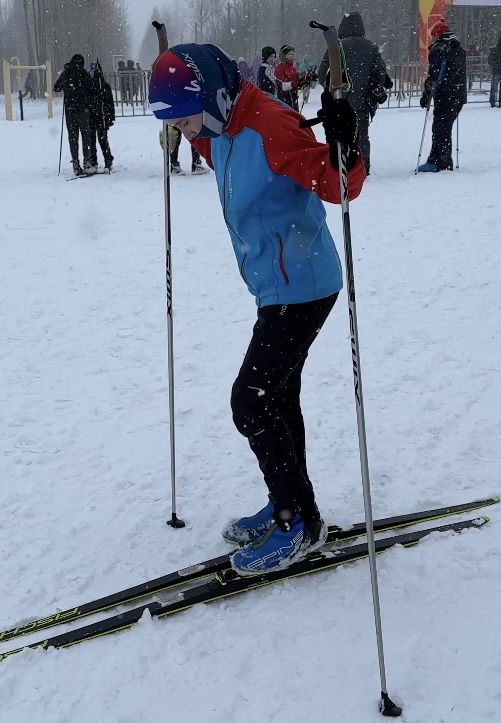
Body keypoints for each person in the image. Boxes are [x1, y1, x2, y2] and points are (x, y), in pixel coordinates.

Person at [147, 42, 365, 576]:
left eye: (186, 118)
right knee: (279, 397)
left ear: (216, 97)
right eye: (175, 124)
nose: (185, 132)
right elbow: (212, 150)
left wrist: (346, 142)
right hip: (275, 287)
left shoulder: (269, 126)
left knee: (251, 401)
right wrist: (173, 92)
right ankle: (289, 503)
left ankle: (299, 524)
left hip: (304, 286)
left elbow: (341, 183)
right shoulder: (215, 132)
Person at [318, 12, 393, 173]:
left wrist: (333, 90)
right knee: (361, 135)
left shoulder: (335, 47)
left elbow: (323, 74)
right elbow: (380, 74)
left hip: (339, 101)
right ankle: (363, 166)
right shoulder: (371, 47)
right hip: (362, 102)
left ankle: (341, 166)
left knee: (340, 134)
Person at [418, 19, 466, 173]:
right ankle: (440, 159)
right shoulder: (457, 47)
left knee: (440, 127)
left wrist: (427, 94)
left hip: (444, 94)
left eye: (433, 35)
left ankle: (441, 162)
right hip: (457, 94)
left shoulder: (440, 48)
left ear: (438, 34)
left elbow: (434, 75)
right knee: (444, 127)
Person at [54, 54, 96, 175]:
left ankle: (76, 165)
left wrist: (67, 88)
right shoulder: (83, 73)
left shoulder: (66, 73)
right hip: (82, 110)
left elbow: (56, 88)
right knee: (85, 136)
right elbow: (91, 89)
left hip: (69, 111)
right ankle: (87, 162)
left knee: (73, 138)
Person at [88, 63, 115, 171]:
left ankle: (107, 161)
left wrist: (110, 116)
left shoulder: (103, 85)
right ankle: (95, 161)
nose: (91, 73)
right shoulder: (89, 85)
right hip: (93, 117)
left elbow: (109, 103)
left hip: (101, 117)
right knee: (93, 141)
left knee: (101, 140)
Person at [275, 45, 300, 109]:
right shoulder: (280, 68)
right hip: (285, 100)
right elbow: (284, 86)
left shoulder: (293, 66)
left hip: (293, 99)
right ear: (283, 56)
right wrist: (295, 82)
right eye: (289, 54)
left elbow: (297, 82)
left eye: (293, 54)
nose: (292, 56)